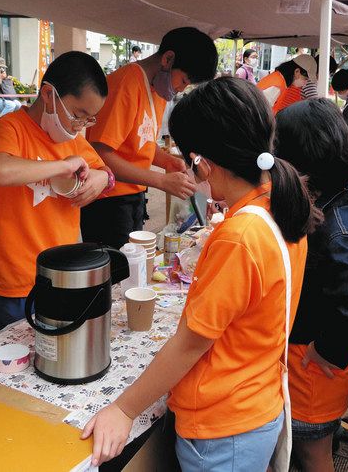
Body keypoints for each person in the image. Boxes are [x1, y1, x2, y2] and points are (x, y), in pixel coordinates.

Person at [81, 77, 318, 469]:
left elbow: (191, 343)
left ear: (203, 162)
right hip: (254, 402)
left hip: (223, 426)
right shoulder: (279, 200)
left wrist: (123, 410)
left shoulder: (239, 235)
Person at [275, 98, 348, 472]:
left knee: (311, 454)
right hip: (309, 367)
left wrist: (328, 350)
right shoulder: (330, 202)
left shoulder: (338, 227)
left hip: (314, 371)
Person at [0, 51, 113, 328]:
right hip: (16, 280)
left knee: (57, 355)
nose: (80, 126)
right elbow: (0, 170)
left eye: (89, 119)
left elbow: (105, 172)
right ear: (48, 95)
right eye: (79, 114)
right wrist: (61, 166)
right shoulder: (10, 127)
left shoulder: (73, 140)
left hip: (64, 275)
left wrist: (101, 180)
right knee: (12, 364)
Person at [81, 27, 218, 249]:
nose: (181, 89)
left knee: (134, 266)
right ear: (167, 59)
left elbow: (140, 143)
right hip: (108, 202)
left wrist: (167, 161)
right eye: (183, 80)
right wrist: (161, 181)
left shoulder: (158, 89)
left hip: (133, 197)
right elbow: (100, 153)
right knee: (119, 273)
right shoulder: (126, 83)